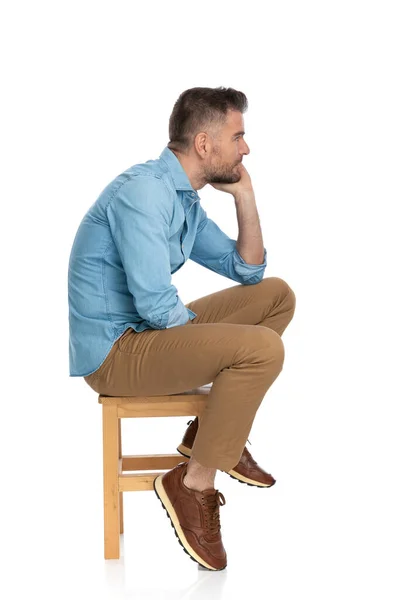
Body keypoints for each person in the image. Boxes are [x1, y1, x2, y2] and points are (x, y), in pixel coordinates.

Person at [68, 86, 296, 571]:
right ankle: (193, 482)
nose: (247, 148)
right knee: (261, 349)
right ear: (204, 143)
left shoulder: (184, 200)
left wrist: (245, 194)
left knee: (276, 296)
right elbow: (155, 303)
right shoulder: (145, 192)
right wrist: (214, 343)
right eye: (238, 137)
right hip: (116, 355)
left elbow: (247, 270)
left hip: (148, 335)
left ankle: (209, 438)